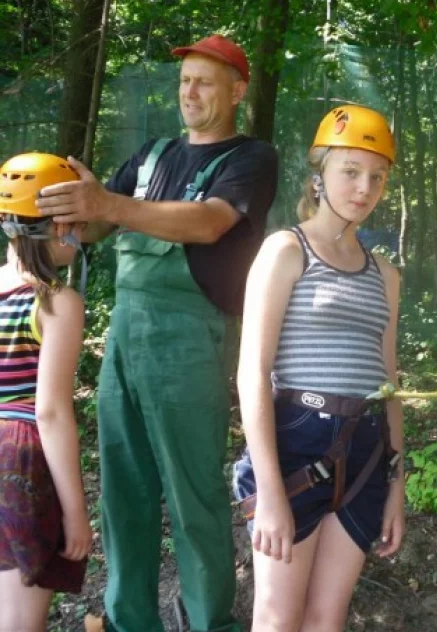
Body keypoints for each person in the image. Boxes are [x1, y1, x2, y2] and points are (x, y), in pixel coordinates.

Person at [35, 34, 279, 632]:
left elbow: (210, 222)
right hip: (125, 340)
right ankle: (128, 621)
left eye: (204, 81)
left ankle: (208, 623)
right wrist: (54, 216)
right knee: (124, 496)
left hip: (192, 343)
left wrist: (109, 206)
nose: (189, 92)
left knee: (193, 501)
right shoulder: (151, 155)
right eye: (184, 81)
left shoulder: (251, 158)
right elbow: (91, 230)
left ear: (237, 90)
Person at [232, 104, 405, 631]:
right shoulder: (287, 250)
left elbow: (390, 384)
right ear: (319, 175)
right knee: (278, 617)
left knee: (327, 618)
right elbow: (252, 374)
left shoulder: (387, 274)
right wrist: (269, 493)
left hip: (366, 449)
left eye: (376, 176)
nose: (364, 187)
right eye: (350, 171)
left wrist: (397, 483)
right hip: (295, 442)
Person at [0, 153, 92, 632]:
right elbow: (51, 412)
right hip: (20, 461)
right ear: (59, 227)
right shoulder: (56, 301)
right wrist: (76, 514)